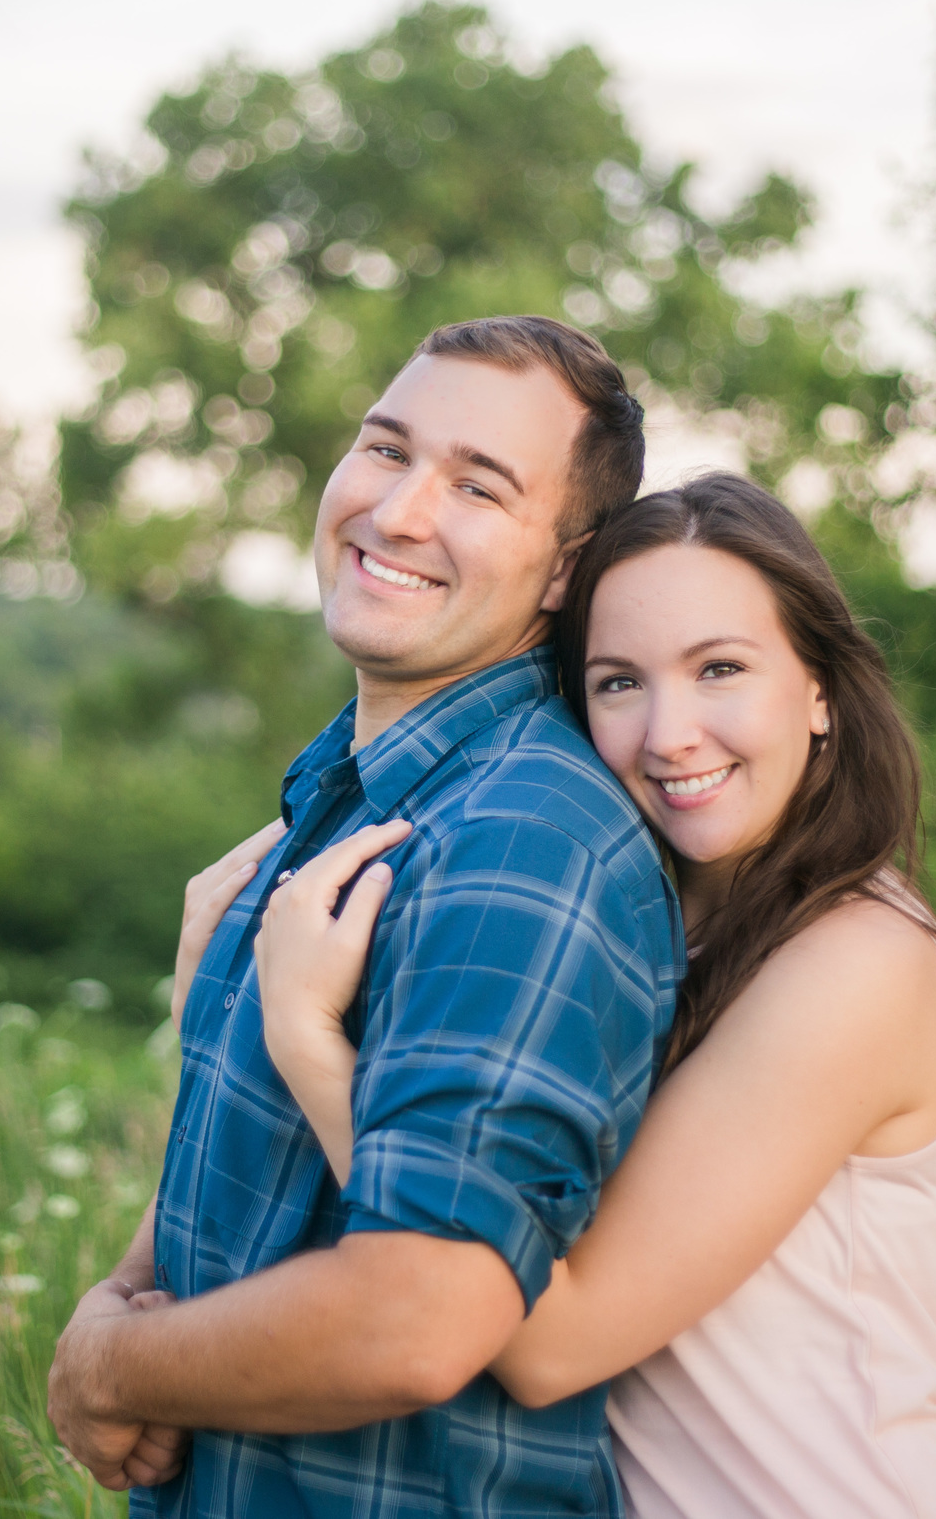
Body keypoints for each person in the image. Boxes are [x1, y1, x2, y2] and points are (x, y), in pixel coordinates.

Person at [253, 472, 936, 1518]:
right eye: (617, 682)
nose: (669, 733)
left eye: (720, 667)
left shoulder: (858, 961)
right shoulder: (647, 929)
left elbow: (552, 1340)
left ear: (820, 688)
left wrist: (308, 1038)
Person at [44, 315, 686, 1517]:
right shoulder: (351, 797)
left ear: (562, 568)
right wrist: (121, 1288)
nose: (396, 512)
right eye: (386, 449)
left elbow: (417, 1317)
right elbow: (269, 1170)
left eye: (478, 486)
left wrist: (105, 1365)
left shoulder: (522, 842)